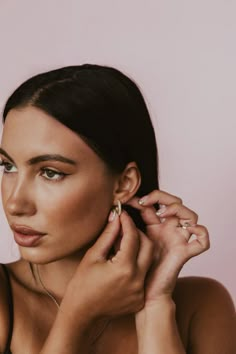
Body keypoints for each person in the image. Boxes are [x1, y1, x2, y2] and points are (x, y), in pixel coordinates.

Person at [0, 64, 235, 354]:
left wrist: (154, 305)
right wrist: (76, 317)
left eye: (50, 172)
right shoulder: (5, 300)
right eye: (8, 166)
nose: (14, 203)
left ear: (124, 184)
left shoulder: (201, 306)